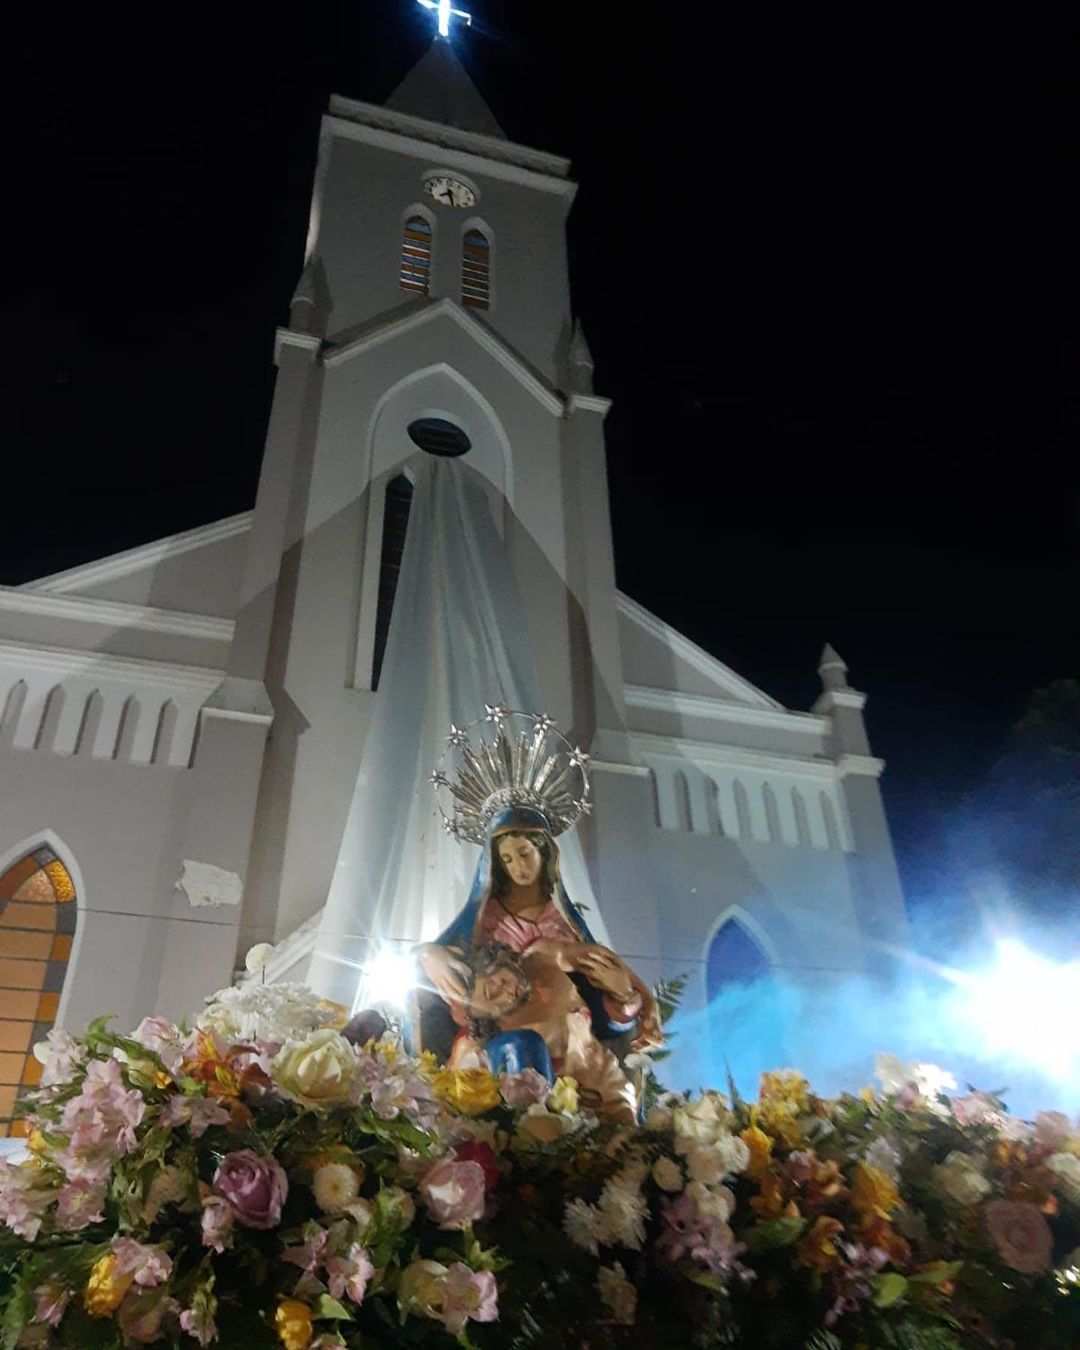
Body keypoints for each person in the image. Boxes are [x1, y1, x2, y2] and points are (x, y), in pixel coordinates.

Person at [415, 804, 661, 1089]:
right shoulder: (484, 920)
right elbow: (441, 966)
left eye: (524, 854)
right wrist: (427, 954)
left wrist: (643, 998)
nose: (518, 867)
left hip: (563, 1041)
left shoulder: (562, 923)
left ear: (543, 851)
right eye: (507, 859)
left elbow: (598, 959)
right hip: (499, 1042)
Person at [449, 940, 640, 1123]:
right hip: (551, 1105)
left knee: (626, 1125)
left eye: (493, 986)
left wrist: (628, 994)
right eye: (497, 1005)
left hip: (598, 1071)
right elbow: (452, 1101)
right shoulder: (483, 1040)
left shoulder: (541, 957)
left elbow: (598, 957)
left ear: (492, 962)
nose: (508, 995)